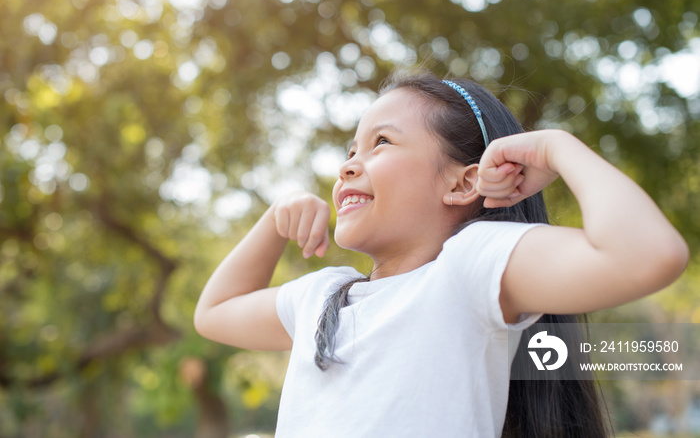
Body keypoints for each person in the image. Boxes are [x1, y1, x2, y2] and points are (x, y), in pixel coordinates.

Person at [194, 68, 689, 437]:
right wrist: (272, 219)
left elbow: (648, 253)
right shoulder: (321, 297)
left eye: (381, 143)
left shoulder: (466, 270)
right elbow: (213, 314)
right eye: (350, 152)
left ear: (463, 182)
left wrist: (555, 148)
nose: (348, 167)